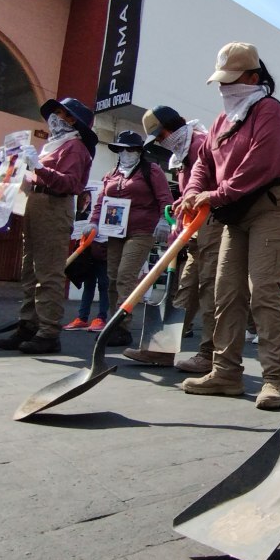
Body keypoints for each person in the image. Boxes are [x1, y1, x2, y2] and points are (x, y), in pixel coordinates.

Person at [178, 42, 280, 411]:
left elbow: (262, 162)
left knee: (262, 291)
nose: (225, 87)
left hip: (271, 206)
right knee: (226, 293)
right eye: (221, 80)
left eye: (232, 80)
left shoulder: (268, 110)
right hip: (234, 212)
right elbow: (203, 160)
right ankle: (226, 372)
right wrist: (193, 190)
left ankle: (277, 379)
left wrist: (214, 196)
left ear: (253, 77)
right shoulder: (222, 119)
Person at [0, 98, 96, 355]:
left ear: (73, 120)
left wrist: (38, 167)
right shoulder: (54, 144)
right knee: (31, 270)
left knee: (48, 272)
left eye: (62, 113)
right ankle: (29, 324)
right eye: (55, 113)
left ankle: (48, 332)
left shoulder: (75, 147)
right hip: (37, 202)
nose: (55, 117)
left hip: (53, 204)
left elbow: (70, 184)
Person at [127, 105, 225, 369]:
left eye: (162, 134)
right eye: (157, 138)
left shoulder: (200, 145)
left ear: (178, 124)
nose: (161, 141)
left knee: (209, 288)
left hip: (213, 223)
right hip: (194, 226)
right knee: (185, 289)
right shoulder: (182, 152)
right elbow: (191, 189)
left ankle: (210, 355)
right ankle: (162, 349)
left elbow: (214, 185)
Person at [83, 131, 174, 348]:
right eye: (121, 149)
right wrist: (93, 221)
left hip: (142, 231)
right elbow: (101, 202)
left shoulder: (151, 170)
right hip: (114, 231)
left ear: (139, 151)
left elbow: (165, 198)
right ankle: (114, 322)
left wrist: (164, 220)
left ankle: (122, 327)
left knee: (125, 276)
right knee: (112, 277)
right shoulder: (111, 174)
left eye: (130, 149)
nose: (125, 153)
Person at [64, 188, 109, 333]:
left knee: (103, 284)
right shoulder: (96, 206)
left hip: (105, 248)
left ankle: (101, 317)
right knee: (89, 283)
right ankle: (82, 317)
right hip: (90, 248)